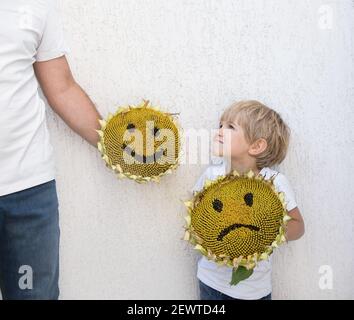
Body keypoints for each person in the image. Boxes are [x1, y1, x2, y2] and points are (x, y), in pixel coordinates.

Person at [0, 0, 101, 299]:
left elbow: (62, 88)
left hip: (28, 196)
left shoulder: (35, 5)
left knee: (33, 294)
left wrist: (119, 148)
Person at [192, 100, 305, 300]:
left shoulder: (274, 183)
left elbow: (298, 226)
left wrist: (265, 235)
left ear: (256, 145)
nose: (219, 131)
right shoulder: (211, 176)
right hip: (210, 280)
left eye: (230, 127)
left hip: (253, 291)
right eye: (220, 125)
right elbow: (196, 215)